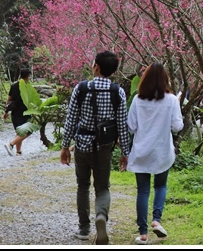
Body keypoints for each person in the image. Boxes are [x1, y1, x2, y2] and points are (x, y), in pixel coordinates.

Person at [60, 51, 131, 245]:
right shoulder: (118, 92)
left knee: (82, 185)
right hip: (104, 147)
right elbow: (122, 125)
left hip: (82, 145)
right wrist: (125, 152)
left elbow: (71, 119)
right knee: (102, 187)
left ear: (96, 66)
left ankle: (84, 229)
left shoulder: (81, 88)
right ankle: (101, 216)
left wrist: (65, 146)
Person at [127, 63, 184, 245]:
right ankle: (156, 220)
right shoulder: (172, 100)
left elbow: (131, 127)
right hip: (162, 151)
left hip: (142, 150)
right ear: (165, 80)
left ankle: (143, 233)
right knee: (160, 186)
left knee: (143, 191)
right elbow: (177, 127)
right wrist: (177, 105)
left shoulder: (137, 100)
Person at [3, 68, 32, 156]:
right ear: (27, 76)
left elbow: (9, 100)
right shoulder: (28, 86)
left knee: (19, 132)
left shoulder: (14, 85)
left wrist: (6, 111)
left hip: (14, 113)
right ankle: (11, 144)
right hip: (24, 112)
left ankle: (18, 152)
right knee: (27, 131)